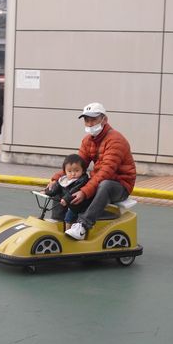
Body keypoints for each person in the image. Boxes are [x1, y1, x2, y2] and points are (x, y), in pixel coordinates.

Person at [47, 102, 136, 241]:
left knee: (105, 185)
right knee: (66, 182)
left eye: (93, 119)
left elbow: (106, 172)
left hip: (120, 185)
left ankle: (83, 225)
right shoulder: (88, 140)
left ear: (104, 119)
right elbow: (76, 165)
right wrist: (56, 180)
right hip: (100, 180)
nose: (89, 124)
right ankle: (57, 221)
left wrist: (84, 191)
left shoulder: (116, 140)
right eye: (86, 120)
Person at [45, 154, 90, 227]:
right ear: (65, 171)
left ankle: (68, 231)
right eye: (69, 171)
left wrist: (66, 199)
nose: (73, 174)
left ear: (83, 170)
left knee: (69, 218)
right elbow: (57, 187)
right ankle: (57, 220)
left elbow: (74, 191)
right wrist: (47, 192)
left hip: (77, 205)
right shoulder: (64, 179)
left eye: (77, 170)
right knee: (57, 197)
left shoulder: (82, 180)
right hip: (67, 203)